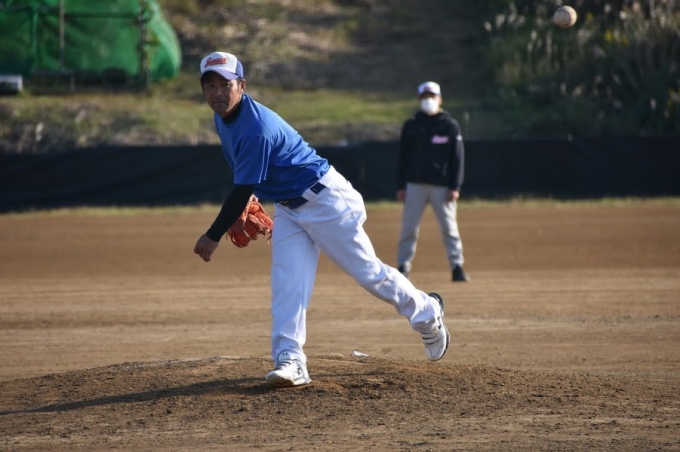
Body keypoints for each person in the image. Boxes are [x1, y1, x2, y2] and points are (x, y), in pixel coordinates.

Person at [192, 52, 451, 388]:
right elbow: (248, 173)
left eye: (225, 84)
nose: (217, 92)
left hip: (327, 201)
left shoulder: (256, 127)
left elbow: (242, 187)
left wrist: (213, 235)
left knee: (369, 274)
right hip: (289, 208)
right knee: (287, 283)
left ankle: (428, 312)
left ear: (242, 85)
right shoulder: (224, 117)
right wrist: (255, 193)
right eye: (210, 85)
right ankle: (290, 360)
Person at [395, 81, 470, 283]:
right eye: (424, 97)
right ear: (419, 99)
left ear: (440, 99)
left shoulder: (450, 126)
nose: (428, 100)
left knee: (449, 228)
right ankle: (403, 265)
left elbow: (457, 158)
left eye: (432, 96)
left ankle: (457, 266)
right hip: (415, 185)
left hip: (442, 187)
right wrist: (401, 185)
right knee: (409, 228)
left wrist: (455, 186)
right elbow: (402, 158)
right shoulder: (411, 126)